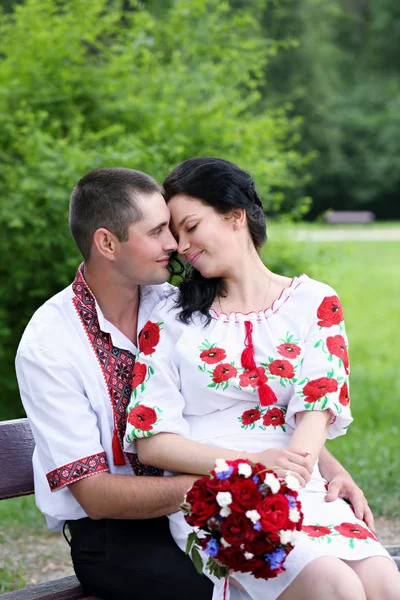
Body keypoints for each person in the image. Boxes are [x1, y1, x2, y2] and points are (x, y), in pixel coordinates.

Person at [16, 167, 376, 600]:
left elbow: (244, 410)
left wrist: (327, 471)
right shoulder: (50, 343)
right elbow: (94, 495)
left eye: (176, 229)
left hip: (222, 495)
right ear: (107, 243)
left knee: (369, 579)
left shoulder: (174, 303)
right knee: (288, 584)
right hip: (117, 535)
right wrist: (238, 477)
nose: (175, 246)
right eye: (158, 232)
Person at [124, 157, 400, 600]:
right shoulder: (171, 319)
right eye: (176, 234)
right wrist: (252, 468)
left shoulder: (315, 303)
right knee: (336, 586)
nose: (182, 245)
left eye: (191, 226)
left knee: (385, 582)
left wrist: (299, 474)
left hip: (299, 482)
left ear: (235, 216)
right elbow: (152, 440)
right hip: (220, 493)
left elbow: (316, 409)